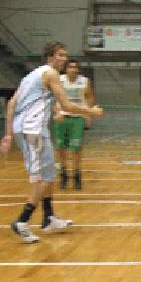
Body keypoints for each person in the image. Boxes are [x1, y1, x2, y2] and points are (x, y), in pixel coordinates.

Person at [0, 41, 104, 243]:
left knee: (49, 174)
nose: (64, 59)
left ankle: (48, 217)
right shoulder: (52, 74)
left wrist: (8, 134)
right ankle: (22, 220)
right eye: (61, 55)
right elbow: (67, 105)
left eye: (66, 55)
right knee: (43, 179)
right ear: (50, 57)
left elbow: (11, 103)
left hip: (29, 129)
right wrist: (92, 111)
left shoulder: (31, 76)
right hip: (33, 130)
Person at [53, 59, 96, 190]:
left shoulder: (84, 81)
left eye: (75, 67)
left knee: (76, 148)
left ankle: (77, 175)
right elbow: (52, 99)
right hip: (62, 116)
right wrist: (56, 112)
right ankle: (64, 174)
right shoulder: (58, 80)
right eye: (70, 67)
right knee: (61, 147)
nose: (73, 69)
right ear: (66, 69)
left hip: (77, 117)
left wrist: (89, 113)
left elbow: (89, 97)